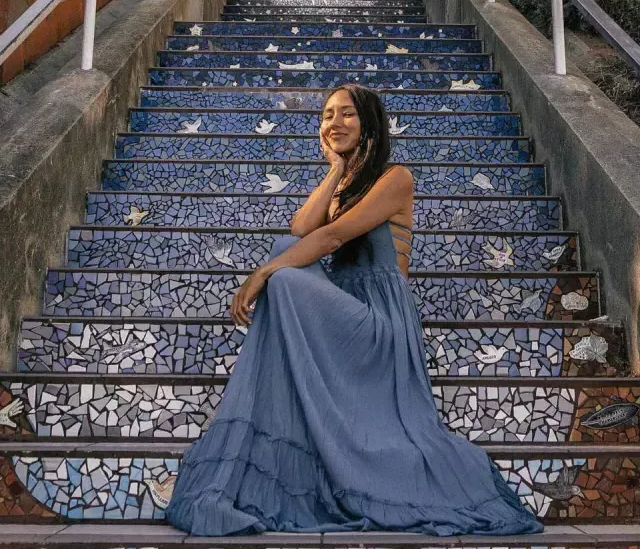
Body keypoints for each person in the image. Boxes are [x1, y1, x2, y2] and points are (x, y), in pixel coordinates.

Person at [165, 84, 544, 537]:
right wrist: (334, 171)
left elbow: (328, 239)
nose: (334, 122)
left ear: (369, 123)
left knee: (283, 272)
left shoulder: (395, 178)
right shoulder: (345, 184)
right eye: (327, 115)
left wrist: (260, 273)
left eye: (346, 114)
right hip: (346, 307)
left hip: (380, 322)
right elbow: (302, 227)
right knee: (287, 249)